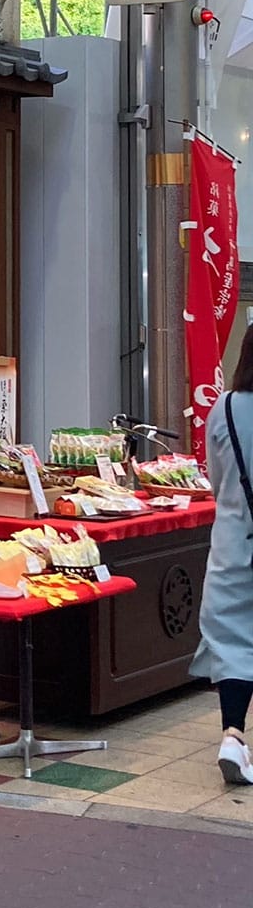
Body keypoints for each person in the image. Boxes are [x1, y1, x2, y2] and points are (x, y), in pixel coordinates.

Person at [191, 323, 253, 785]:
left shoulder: (225, 408)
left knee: (233, 642)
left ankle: (233, 734)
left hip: (233, 541)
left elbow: (215, 480)